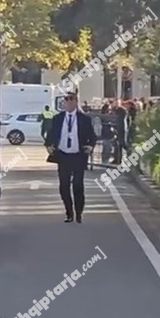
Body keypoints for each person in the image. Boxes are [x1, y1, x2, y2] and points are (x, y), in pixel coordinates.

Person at [45, 91, 96, 223]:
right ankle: (69, 213)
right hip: (63, 156)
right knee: (64, 186)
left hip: (78, 156)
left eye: (71, 99)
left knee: (78, 185)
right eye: (66, 100)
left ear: (76, 102)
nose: (68, 102)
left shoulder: (84, 119)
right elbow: (50, 135)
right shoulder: (58, 119)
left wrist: (90, 147)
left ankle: (79, 213)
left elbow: (92, 137)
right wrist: (48, 146)